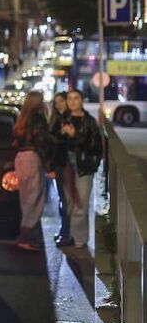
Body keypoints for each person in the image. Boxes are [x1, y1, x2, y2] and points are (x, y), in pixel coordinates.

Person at [57, 89, 103, 249]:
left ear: (82, 101)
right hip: (65, 165)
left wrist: (74, 135)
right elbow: (53, 140)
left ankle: (80, 238)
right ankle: (69, 234)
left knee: (81, 202)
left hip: (84, 165)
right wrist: (61, 134)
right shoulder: (62, 119)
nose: (72, 101)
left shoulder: (89, 121)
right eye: (69, 98)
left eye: (76, 98)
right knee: (69, 201)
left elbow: (95, 146)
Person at [12, 90, 52, 251]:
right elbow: (41, 143)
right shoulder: (38, 119)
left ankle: (27, 234)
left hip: (21, 158)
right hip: (32, 158)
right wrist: (49, 167)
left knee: (26, 198)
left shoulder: (22, 119)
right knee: (34, 198)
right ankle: (27, 236)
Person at [48, 92, 71, 245]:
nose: (58, 105)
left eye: (61, 101)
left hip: (67, 163)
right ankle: (65, 230)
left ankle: (68, 233)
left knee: (67, 200)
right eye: (56, 102)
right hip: (58, 163)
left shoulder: (69, 118)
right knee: (63, 199)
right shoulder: (56, 119)